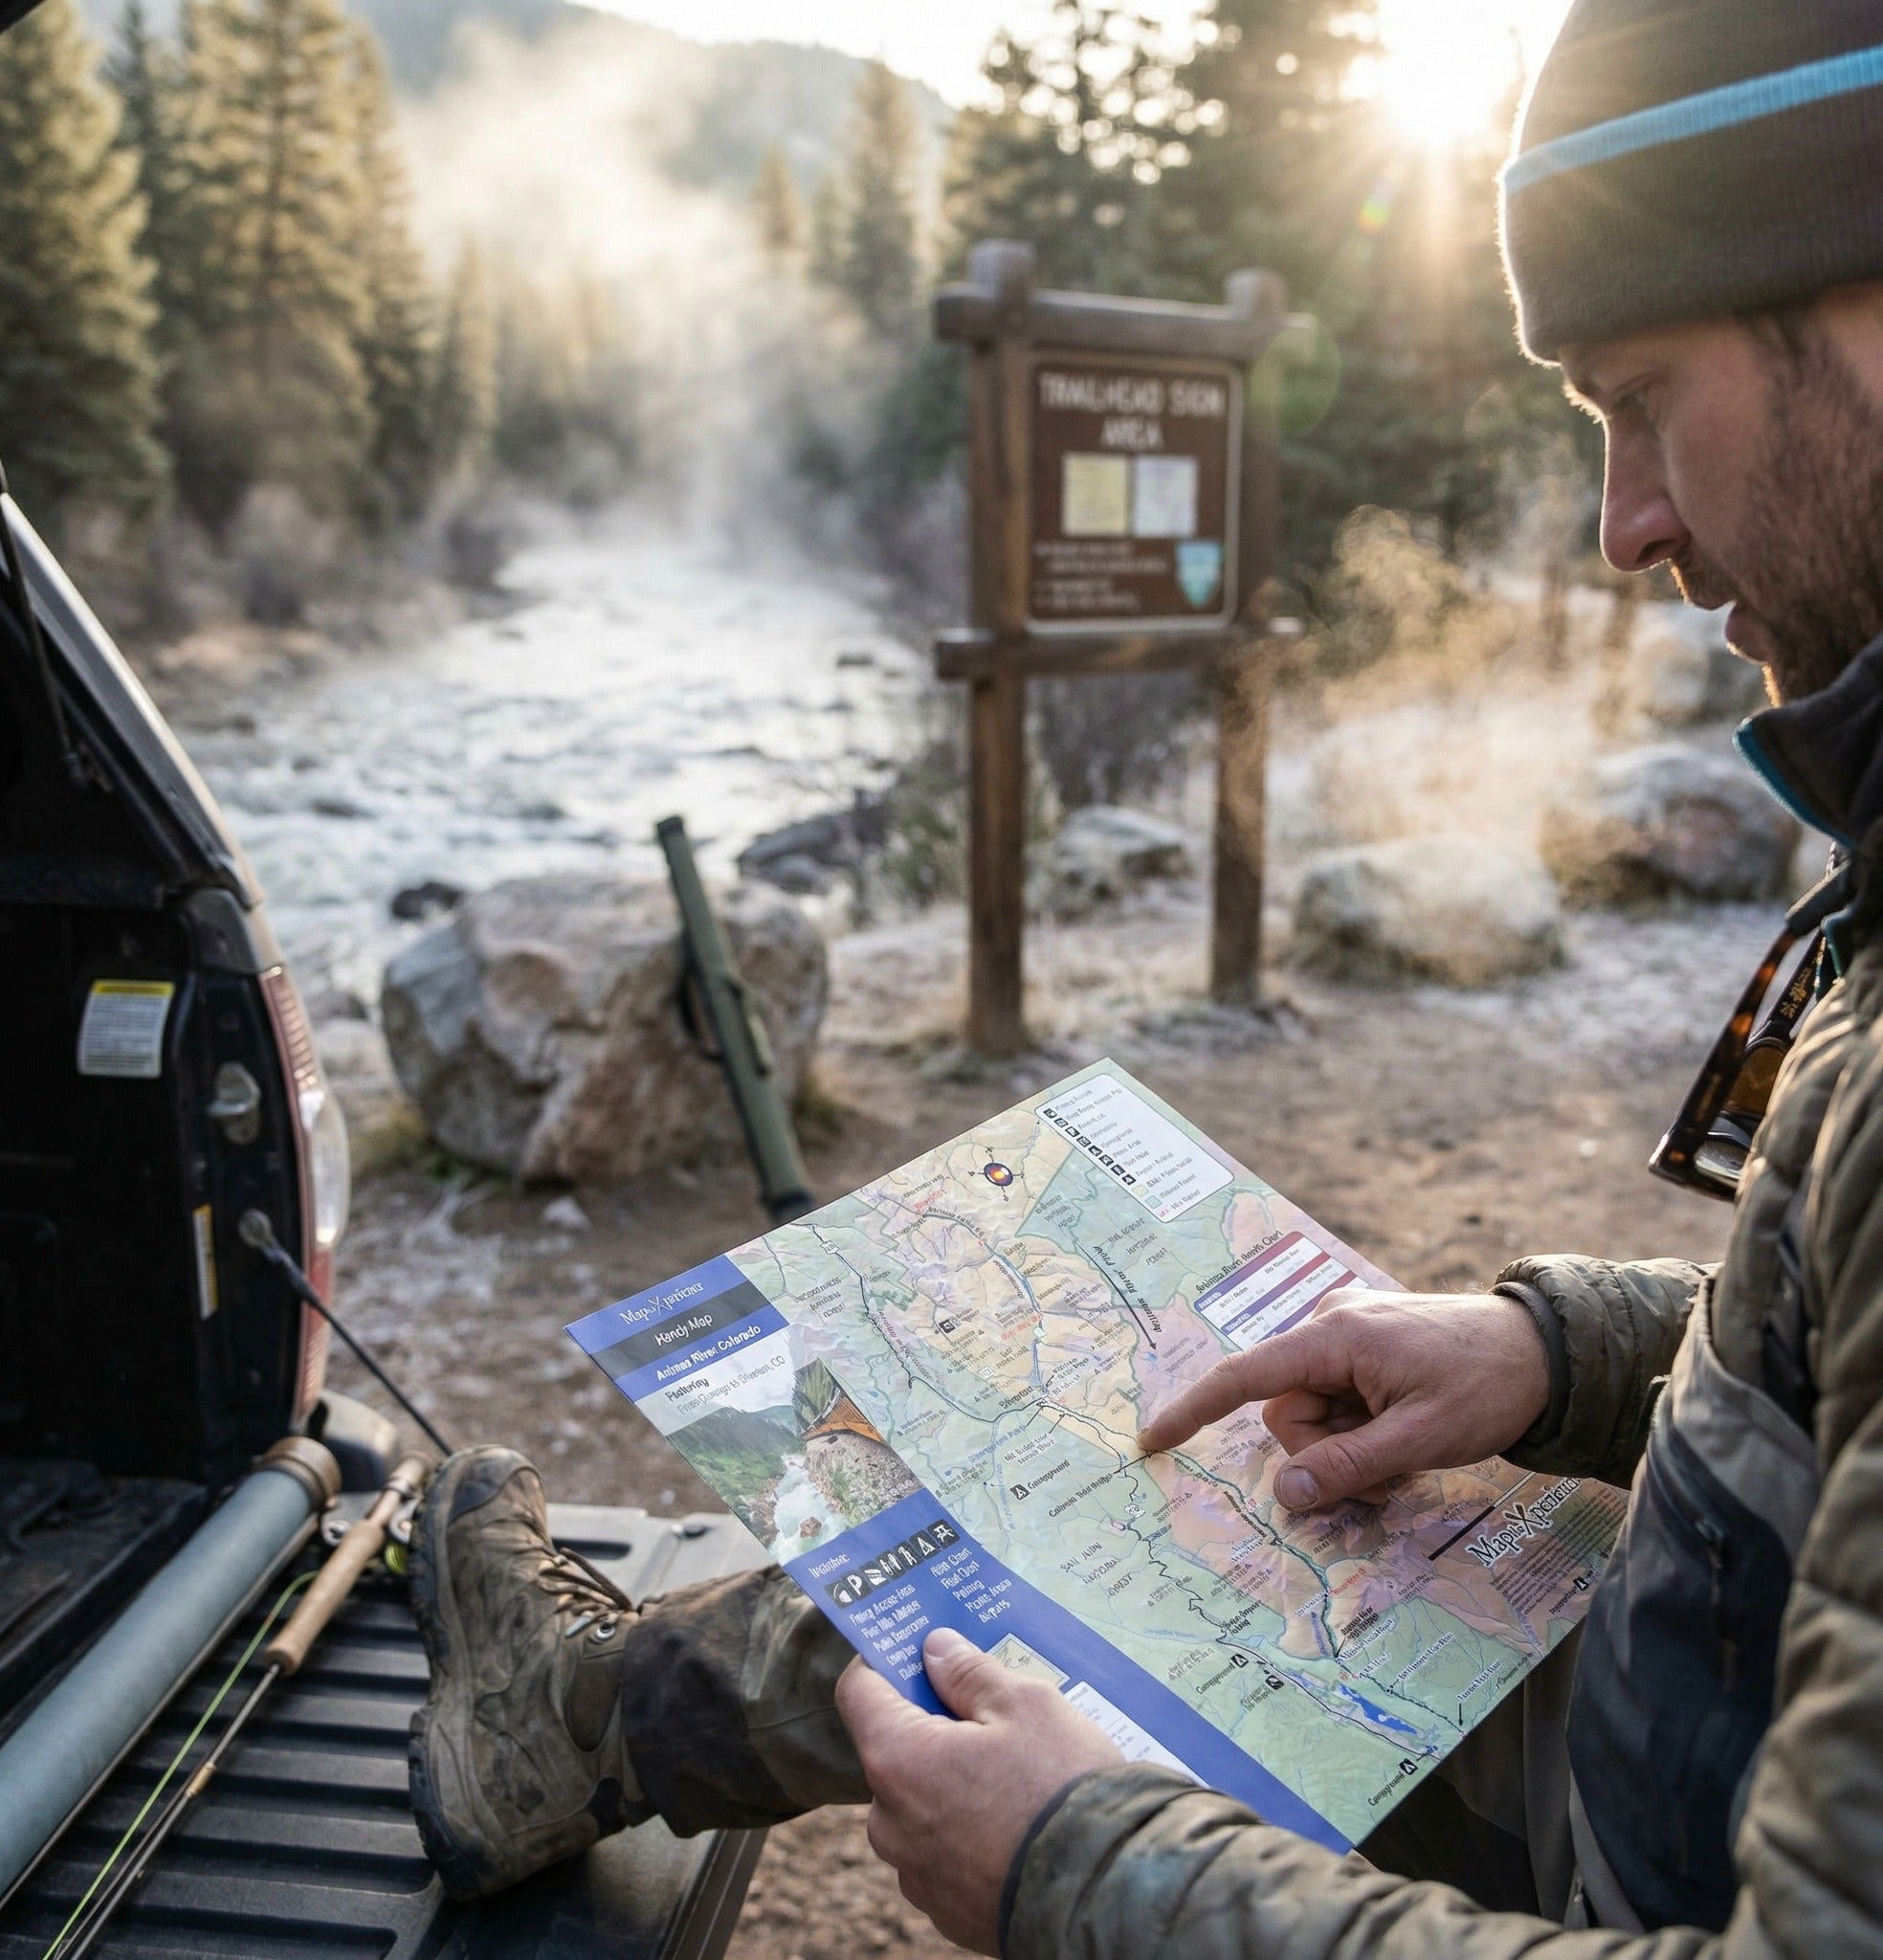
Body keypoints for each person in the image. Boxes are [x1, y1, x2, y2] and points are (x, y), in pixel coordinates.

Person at [404, 2, 1883, 1951]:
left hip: (1632, 1837)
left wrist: (1079, 1866)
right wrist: (1563, 1351)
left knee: (1135, 1548)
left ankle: (570, 1718)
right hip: (1674, 1710)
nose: (1626, 527)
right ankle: (569, 1719)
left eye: (1642, 395)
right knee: (1153, 1485)